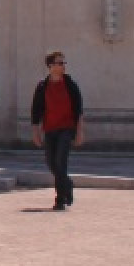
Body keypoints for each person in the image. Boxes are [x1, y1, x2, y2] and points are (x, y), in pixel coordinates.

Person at [31, 51, 85, 210]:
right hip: (49, 129)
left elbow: (79, 110)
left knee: (61, 162)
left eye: (63, 63)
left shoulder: (70, 84)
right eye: (60, 63)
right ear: (51, 66)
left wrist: (80, 132)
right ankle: (67, 183)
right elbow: (36, 111)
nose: (63, 66)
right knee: (50, 162)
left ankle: (60, 198)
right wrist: (35, 132)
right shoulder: (42, 86)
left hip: (66, 128)